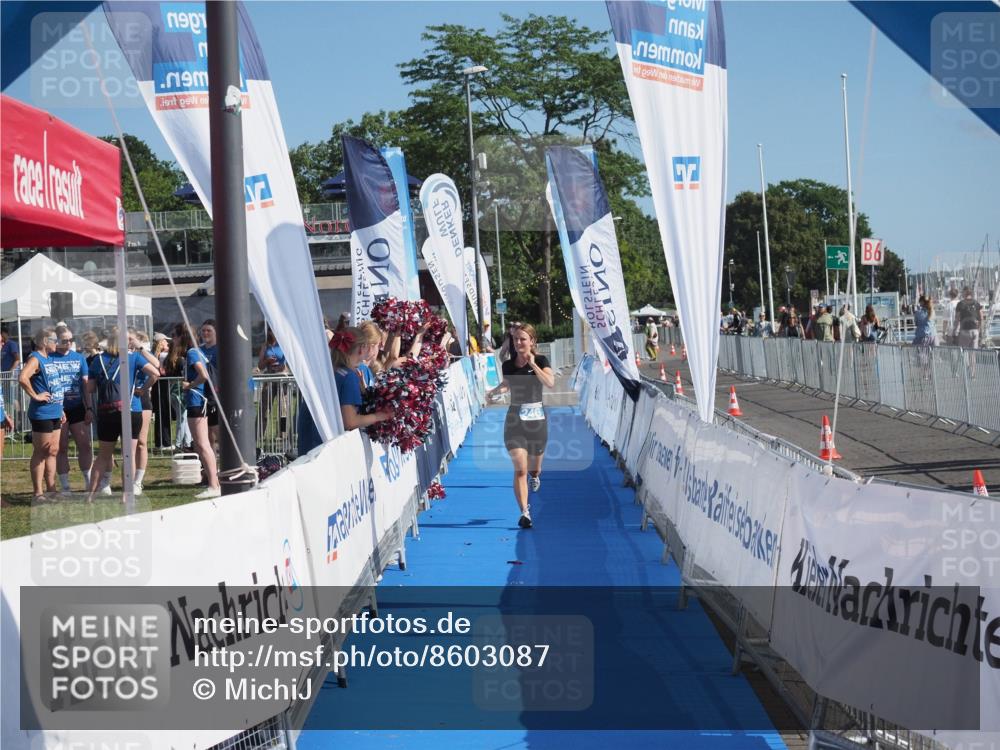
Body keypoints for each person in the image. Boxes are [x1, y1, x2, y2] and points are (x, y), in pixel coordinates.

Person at [486, 323, 555, 530]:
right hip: (515, 420)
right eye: (515, 339)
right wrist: (493, 392)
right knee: (520, 469)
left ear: (532, 341)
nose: (518, 343)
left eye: (522, 339)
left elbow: (550, 383)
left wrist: (533, 365)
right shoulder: (508, 365)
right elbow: (508, 384)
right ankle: (525, 512)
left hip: (537, 421)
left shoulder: (541, 360)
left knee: (535, 469)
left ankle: (535, 476)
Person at [85, 329, 159, 503]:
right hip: (131, 409)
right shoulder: (133, 358)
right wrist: (143, 388)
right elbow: (156, 372)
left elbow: (90, 388)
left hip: (106, 411)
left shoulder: (98, 360)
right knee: (129, 454)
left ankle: (90, 495)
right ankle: (127, 494)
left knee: (103, 455)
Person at [18, 329, 66, 502]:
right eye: (55, 339)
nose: (57, 343)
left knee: (52, 451)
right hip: (42, 413)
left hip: (54, 411)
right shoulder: (35, 358)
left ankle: (51, 489)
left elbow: (53, 385)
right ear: (45, 341)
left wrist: (60, 408)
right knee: (41, 452)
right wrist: (35, 395)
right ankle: (38, 492)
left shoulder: (49, 359)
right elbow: (23, 377)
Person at [179, 326, 221, 498]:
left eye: (175, 336)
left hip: (197, 401)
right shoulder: (198, 352)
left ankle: (213, 484)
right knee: (203, 444)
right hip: (200, 401)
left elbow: (203, 375)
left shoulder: (192, 352)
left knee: (202, 444)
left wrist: (189, 385)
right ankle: (214, 482)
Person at [52, 325, 93, 492]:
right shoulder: (50, 357)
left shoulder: (79, 358)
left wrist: (89, 407)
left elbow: (85, 385)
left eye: (71, 340)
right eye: (64, 340)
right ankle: (65, 485)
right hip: (58, 408)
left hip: (77, 406)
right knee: (61, 447)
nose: (68, 343)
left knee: (84, 445)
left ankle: (89, 482)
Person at [330, 327, 392, 431]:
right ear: (361, 348)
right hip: (329, 442)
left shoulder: (334, 370)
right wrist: (379, 416)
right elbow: (350, 422)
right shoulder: (349, 376)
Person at [130, 330, 159, 496]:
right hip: (125, 400)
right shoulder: (125, 354)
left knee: (141, 441)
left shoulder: (141, 354)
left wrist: (144, 388)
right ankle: (129, 477)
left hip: (141, 399)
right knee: (130, 443)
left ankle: (138, 481)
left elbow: (156, 367)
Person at [164, 331, 192, 451]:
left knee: (183, 417)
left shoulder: (167, 360)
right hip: (179, 390)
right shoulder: (180, 360)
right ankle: (180, 443)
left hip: (172, 390)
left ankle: (187, 442)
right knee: (182, 418)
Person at [151, 332, 173, 449]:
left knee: (161, 414)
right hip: (162, 386)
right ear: (161, 342)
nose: (167, 343)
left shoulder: (154, 355)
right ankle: (165, 442)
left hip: (158, 385)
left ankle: (161, 442)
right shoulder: (162, 355)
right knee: (163, 414)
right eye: (165, 341)